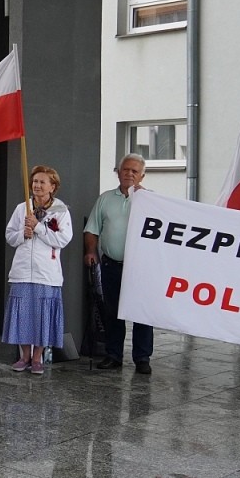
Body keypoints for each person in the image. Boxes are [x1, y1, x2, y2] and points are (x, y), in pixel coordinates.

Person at [84, 154, 154, 375]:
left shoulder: (152, 201)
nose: (129, 174)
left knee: (142, 313)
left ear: (142, 175)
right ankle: (113, 355)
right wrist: (90, 251)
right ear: (118, 172)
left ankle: (142, 358)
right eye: (126, 170)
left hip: (141, 267)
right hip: (111, 265)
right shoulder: (105, 199)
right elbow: (92, 228)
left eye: (135, 171)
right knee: (113, 311)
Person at [3, 165, 73, 374]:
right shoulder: (21, 208)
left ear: (53, 187)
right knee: (23, 314)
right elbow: (9, 235)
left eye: (42, 182)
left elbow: (63, 239)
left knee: (43, 315)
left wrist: (38, 227)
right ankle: (24, 356)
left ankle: (37, 357)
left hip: (47, 273)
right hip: (23, 271)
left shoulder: (60, 211)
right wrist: (22, 234)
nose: (37, 185)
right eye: (35, 182)